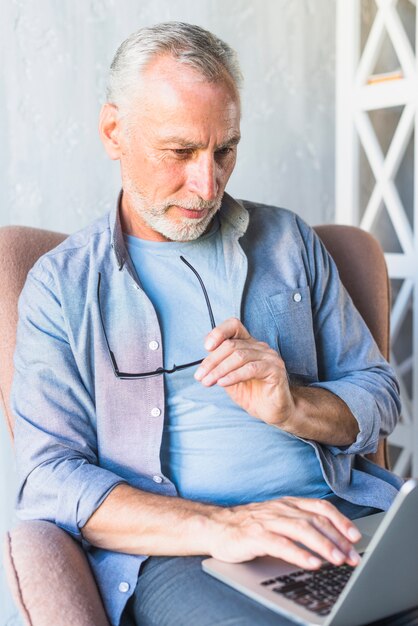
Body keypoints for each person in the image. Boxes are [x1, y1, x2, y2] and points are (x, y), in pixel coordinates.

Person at [12, 22, 403, 626]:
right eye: (181, 151)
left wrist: (292, 405)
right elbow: (50, 479)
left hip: (336, 516)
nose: (208, 183)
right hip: (188, 556)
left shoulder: (289, 245)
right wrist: (223, 525)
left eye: (224, 150)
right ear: (114, 131)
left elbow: (378, 392)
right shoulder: (62, 288)